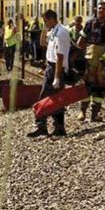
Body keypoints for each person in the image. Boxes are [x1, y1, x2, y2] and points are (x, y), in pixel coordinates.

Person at [27, 9, 70, 138]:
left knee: (44, 98)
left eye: (45, 21)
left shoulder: (61, 33)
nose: (44, 24)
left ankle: (42, 126)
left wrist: (56, 77)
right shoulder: (54, 31)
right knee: (56, 99)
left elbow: (60, 57)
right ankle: (59, 127)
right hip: (51, 67)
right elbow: (42, 43)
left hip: (56, 69)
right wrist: (45, 29)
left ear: (51, 19)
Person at [77, 1, 105, 122]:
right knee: (87, 85)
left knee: (101, 85)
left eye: (104, 9)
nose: (101, 11)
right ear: (96, 10)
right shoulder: (90, 23)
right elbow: (81, 41)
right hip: (90, 58)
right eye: (100, 8)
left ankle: (95, 114)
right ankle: (82, 112)